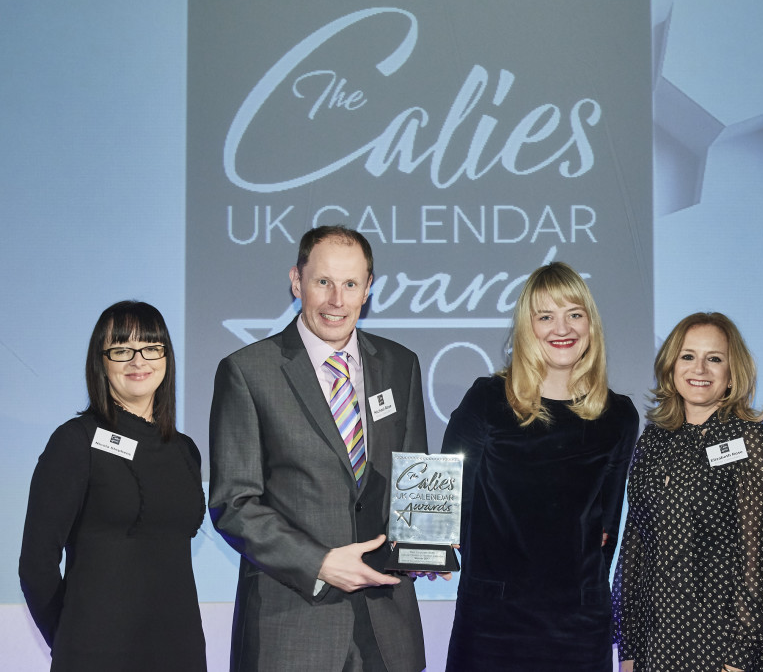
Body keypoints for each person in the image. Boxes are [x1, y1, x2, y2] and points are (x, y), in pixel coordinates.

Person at [209, 225, 427, 672]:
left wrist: (425, 544)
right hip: (290, 628)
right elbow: (234, 503)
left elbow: (414, 478)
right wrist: (321, 563)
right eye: (323, 282)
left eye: (350, 284)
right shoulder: (248, 372)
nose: (336, 300)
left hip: (388, 630)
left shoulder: (400, 364)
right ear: (296, 281)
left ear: (368, 289)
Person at [440, 262, 639, 672]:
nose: (561, 328)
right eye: (545, 316)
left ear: (590, 325)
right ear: (527, 328)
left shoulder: (618, 415)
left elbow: (608, 528)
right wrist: (430, 551)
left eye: (574, 314)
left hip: (579, 628)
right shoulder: (487, 400)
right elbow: (448, 500)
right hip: (492, 624)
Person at [19, 301, 207, 671]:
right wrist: (71, 638)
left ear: (166, 357)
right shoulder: (75, 442)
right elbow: (35, 565)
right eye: (122, 350)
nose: (139, 361)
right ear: (101, 363)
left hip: (179, 652)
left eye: (151, 348)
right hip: (96, 654)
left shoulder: (185, 450)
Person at [612, 312, 763, 672]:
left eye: (715, 358)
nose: (700, 369)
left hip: (725, 647)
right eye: (688, 356)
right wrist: (628, 648)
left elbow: (759, 557)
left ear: (731, 372)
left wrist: (739, 657)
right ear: (671, 366)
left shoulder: (751, 441)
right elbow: (633, 548)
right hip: (656, 643)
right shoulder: (653, 440)